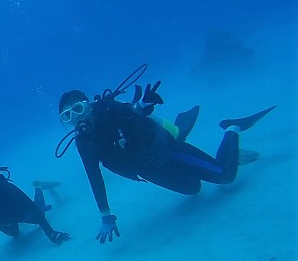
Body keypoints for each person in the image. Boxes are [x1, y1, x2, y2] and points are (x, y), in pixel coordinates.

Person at [57, 66, 275, 243]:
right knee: (193, 189)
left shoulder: (108, 109)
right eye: (67, 116)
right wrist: (106, 216)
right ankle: (218, 159)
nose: (75, 117)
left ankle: (231, 129)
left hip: (168, 152)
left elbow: (133, 112)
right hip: (149, 171)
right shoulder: (83, 143)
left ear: (89, 105)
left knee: (225, 176)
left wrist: (143, 104)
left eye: (77, 109)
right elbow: (94, 177)